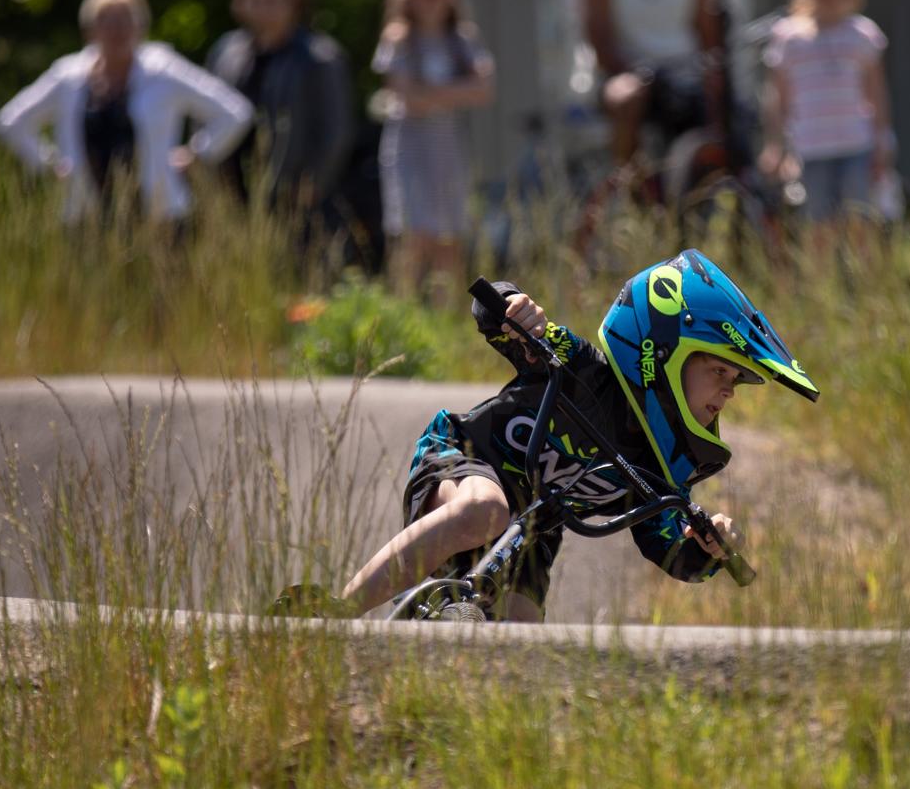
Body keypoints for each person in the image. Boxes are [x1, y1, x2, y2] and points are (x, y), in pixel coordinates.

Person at [292, 249, 818, 621]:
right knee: (485, 512)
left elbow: (670, 552)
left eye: (735, 383)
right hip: (463, 461)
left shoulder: (661, 469)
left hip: (533, 530)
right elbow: (498, 315)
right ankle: (335, 615)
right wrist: (514, 307)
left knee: (526, 639)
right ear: (664, 354)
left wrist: (708, 547)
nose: (728, 393)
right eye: (719, 373)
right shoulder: (580, 368)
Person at [0, 0, 253, 229]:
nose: (116, 29)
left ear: (141, 26)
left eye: (125, 19)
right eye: (106, 20)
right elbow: (10, 121)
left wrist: (197, 155)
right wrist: (49, 164)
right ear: (89, 30)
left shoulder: (164, 70)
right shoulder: (68, 76)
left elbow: (235, 112)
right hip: (87, 215)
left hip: (160, 216)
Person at [575, 0, 721, 249]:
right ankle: (632, 186)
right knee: (626, 97)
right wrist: (638, 71)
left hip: (683, 73)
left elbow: (706, 30)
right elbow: (600, 43)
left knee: (725, 100)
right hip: (630, 74)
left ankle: (714, 194)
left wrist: (710, 75)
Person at [205, 0, 356, 261]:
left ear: (296, 3)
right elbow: (205, 112)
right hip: (232, 191)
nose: (264, 5)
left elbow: (337, 131)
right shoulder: (226, 52)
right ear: (240, 2)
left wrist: (313, 184)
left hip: (297, 195)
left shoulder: (320, 57)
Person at [373, 0, 495, 301]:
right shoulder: (397, 39)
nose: (429, 0)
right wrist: (456, 91)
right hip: (408, 146)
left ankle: (446, 311)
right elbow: (407, 95)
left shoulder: (462, 38)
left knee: (449, 233)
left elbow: (485, 89)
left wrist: (431, 96)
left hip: (447, 145)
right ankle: (406, 308)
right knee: (413, 233)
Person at [760, 0, 893, 261]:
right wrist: (776, 144)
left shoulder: (862, 34)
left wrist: (883, 140)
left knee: (860, 218)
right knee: (818, 223)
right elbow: (778, 96)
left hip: (856, 146)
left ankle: (864, 282)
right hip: (811, 148)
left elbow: (876, 93)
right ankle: (822, 285)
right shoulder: (789, 38)